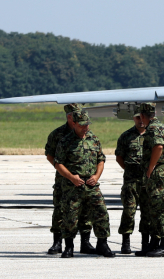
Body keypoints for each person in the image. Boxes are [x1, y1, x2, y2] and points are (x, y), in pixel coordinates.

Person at [53, 109, 114, 258]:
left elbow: (101, 159)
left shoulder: (94, 139)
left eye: (87, 124)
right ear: (73, 124)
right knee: (70, 216)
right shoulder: (66, 141)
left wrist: (96, 176)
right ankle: (69, 246)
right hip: (73, 186)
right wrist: (71, 177)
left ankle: (102, 244)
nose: (85, 127)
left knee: (101, 213)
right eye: (82, 125)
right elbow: (58, 163)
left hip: (92, 185)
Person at [46, 103, 94, 255]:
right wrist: (65, 172)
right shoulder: (57, 134)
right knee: (61, 209)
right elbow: (50, 155)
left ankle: (85, 242)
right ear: (68, 117)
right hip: (63, 180)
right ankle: (57, 242)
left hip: (84, 178)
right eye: (74, 116)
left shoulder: (87, 133)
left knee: (85, 210)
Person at [137, 102, 164, 257]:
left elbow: (159, 146)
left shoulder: (153, 129)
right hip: (161, 171)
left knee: (161, 208)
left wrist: (151, 166)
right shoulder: (162, 126)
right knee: (153, 208)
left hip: (158, 173)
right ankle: (154, 244)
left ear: (142, 116)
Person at [115, 106, 147, 255]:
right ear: (133, 118)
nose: (140, 121)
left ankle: (145, 242)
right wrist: (129, 170)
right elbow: (119, 157)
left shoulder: (154, 135)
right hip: (131, 180)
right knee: (129, 211)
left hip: (148, 180)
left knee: (147, 213)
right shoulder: (126, 136)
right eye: (137, 118)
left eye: (142, 117)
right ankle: (125, 242)